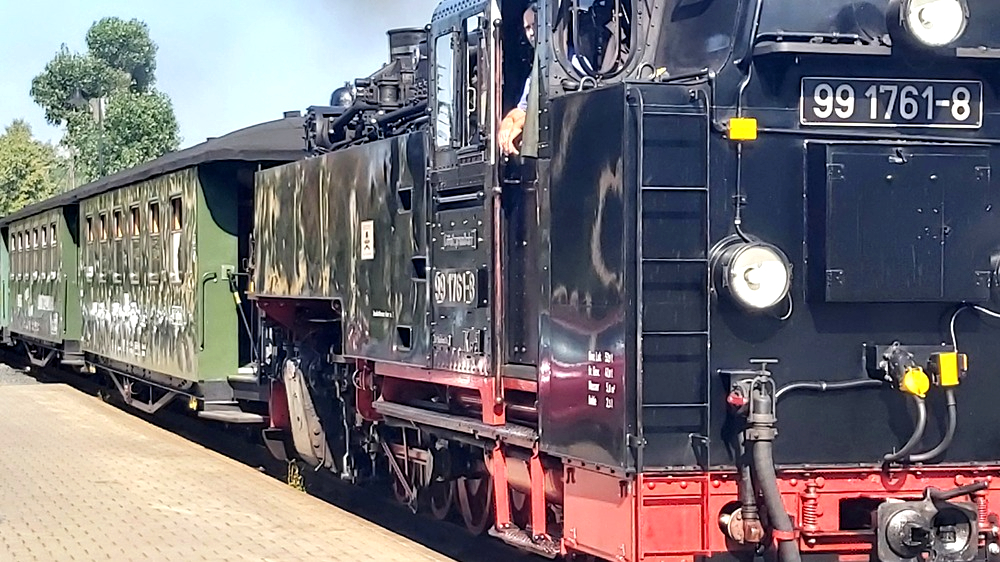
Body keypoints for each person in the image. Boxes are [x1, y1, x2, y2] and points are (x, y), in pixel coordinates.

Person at [498, 3, 537, 156]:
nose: (531, 33)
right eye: (527, 28)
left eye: (535, 25)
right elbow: (522, 110)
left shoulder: (572, 61)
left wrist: (521, 124)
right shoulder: (532, 76)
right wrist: (507, 122)